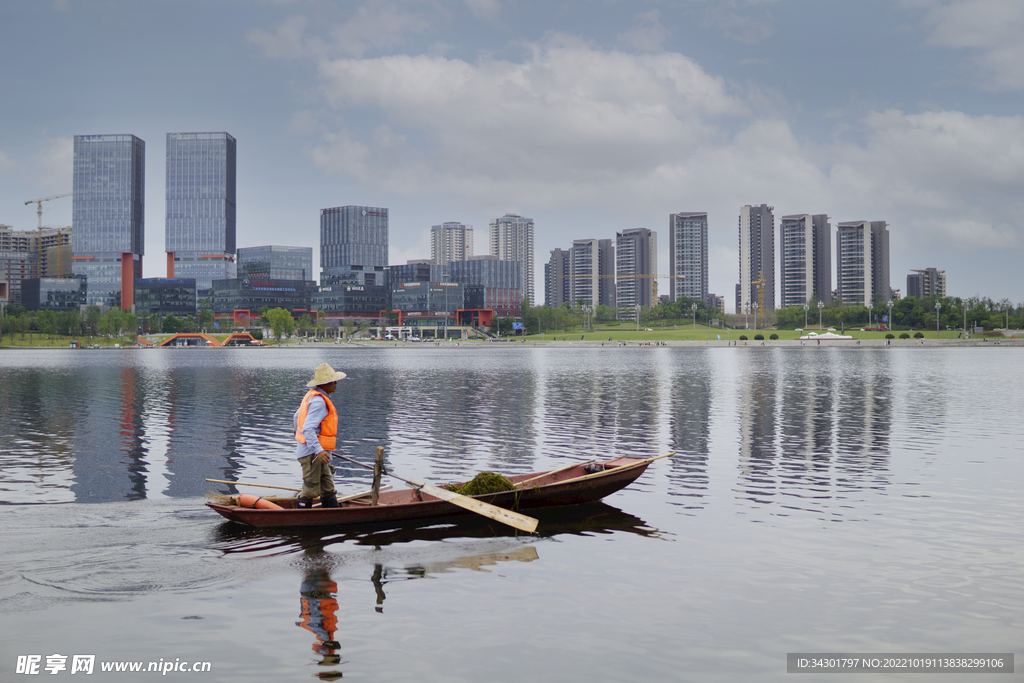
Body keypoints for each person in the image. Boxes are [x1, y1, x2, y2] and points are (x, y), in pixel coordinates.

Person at [294, 363, 347, 508]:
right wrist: (318, 450)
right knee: (310, 490)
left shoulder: (312, 396)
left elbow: (296, 417)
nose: (336, 384)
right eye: (332, 381)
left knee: (328, 488)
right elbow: (308, 428)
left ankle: (333, 515)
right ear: (324, 384)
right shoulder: (318, 402)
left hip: (317, 453)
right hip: (313, 454)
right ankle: (302, 520)